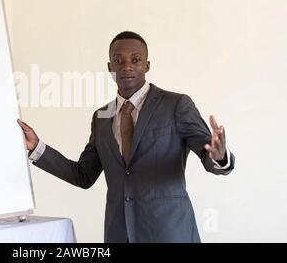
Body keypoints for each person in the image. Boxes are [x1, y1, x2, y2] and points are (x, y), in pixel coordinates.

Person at [17, 31, 235, 243]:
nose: (127, 66)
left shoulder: (176, 105)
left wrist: (220, 156)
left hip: (169, 231)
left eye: (136, 59)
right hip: (119, 233)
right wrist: (37, 147)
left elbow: (210, 156)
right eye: (118, 60)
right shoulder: (102, 117)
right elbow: (83, 175)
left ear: (147, 65)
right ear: (110, 67)